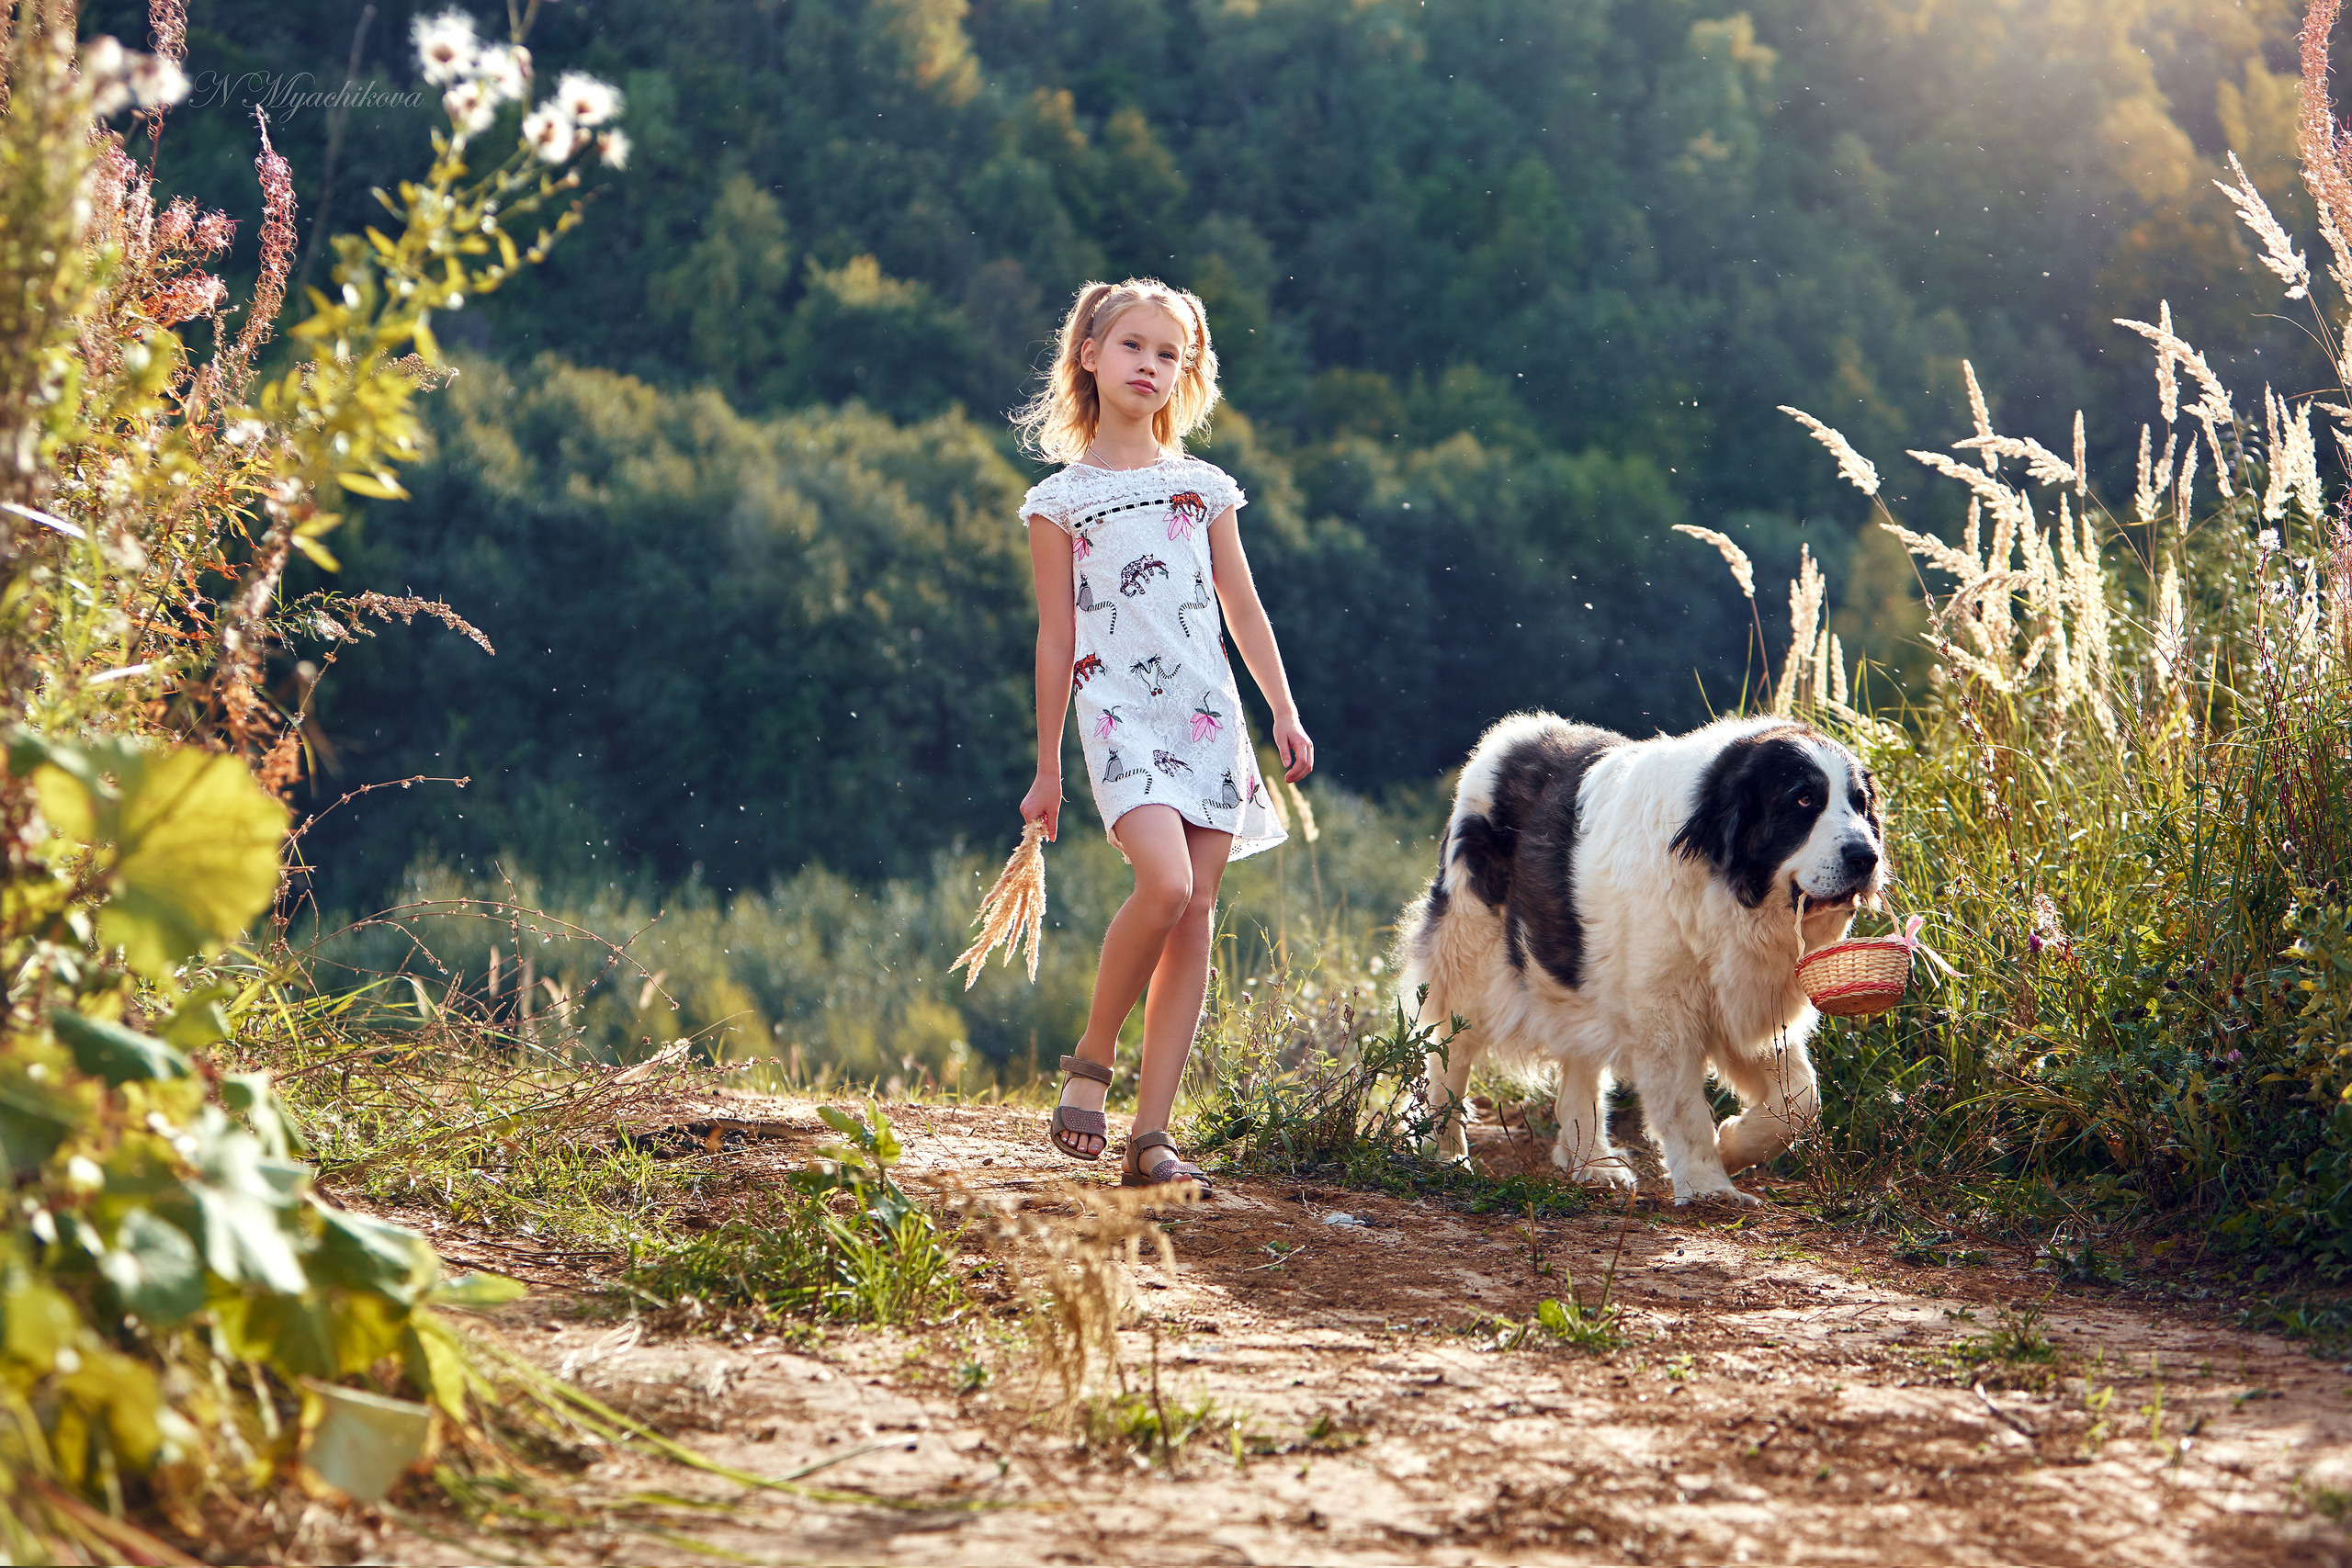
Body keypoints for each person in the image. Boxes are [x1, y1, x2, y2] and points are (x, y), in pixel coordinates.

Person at [1012, 278, 1314, 1194]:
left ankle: (1152, 1137)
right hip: (1117, 718)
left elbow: (1243, 608)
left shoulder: (1201, 487)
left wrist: (1283, 709)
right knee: (1165, 884)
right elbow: (1057, 640)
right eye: (1133, 346)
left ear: (1186, 373)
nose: (1150, 365)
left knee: (1197, 914)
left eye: (1169, 354)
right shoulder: (1057, 503)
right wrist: (1045, 769)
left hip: (1208, 717)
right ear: (1091, 356)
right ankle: (1092, 1059)